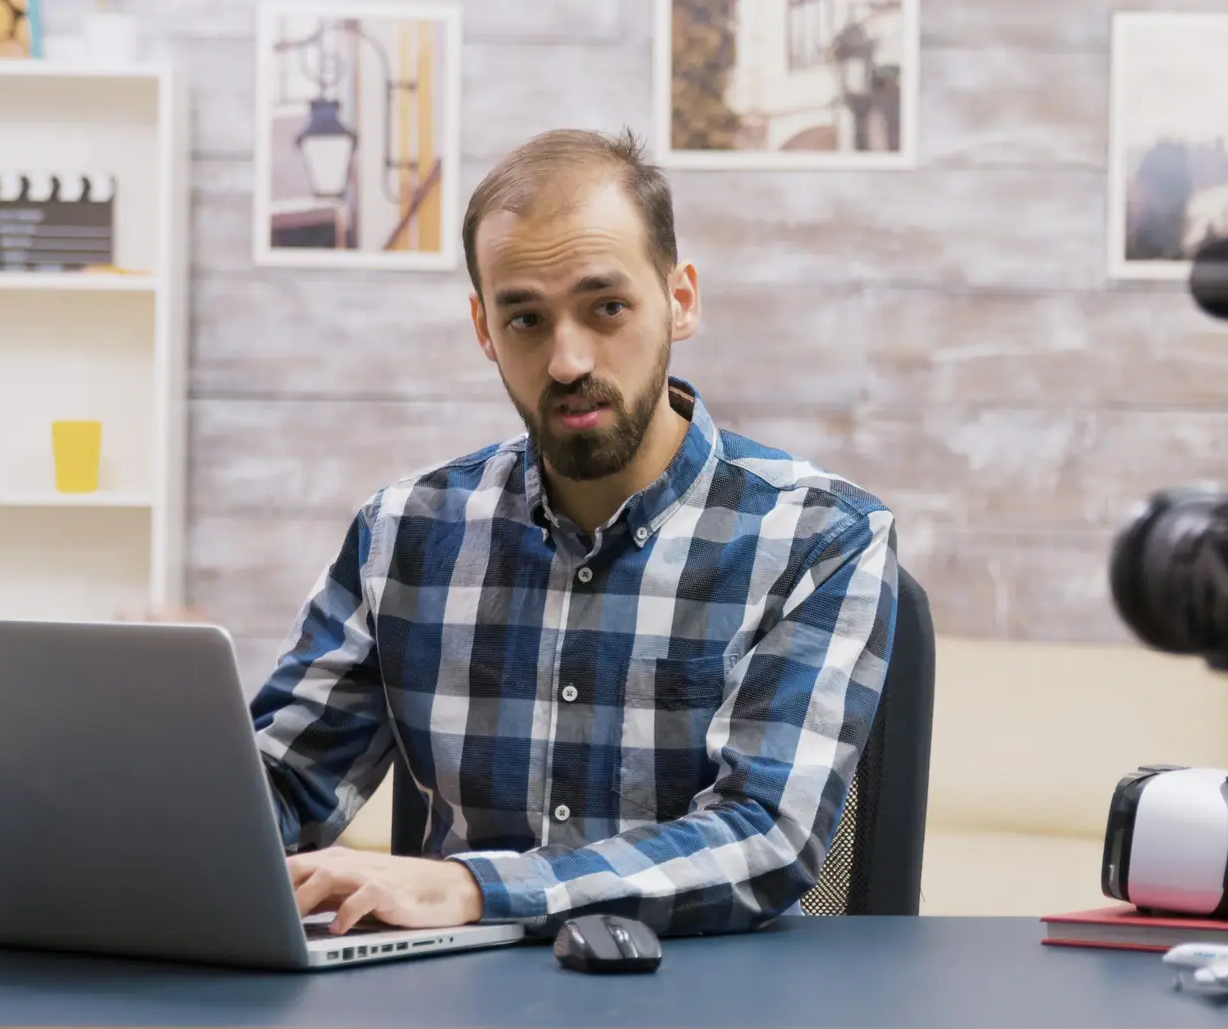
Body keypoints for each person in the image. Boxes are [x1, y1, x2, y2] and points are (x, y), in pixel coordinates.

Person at [250, 128, 900, 940]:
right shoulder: (401, 535)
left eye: (607, 308)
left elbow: (765, 836)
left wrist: (474, 890)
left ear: (682, 299)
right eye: (525, 319)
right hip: (455, 1023)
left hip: (712, 1024)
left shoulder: (821, 537)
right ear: (484, 329)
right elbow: (276, 787)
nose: (566, 359)